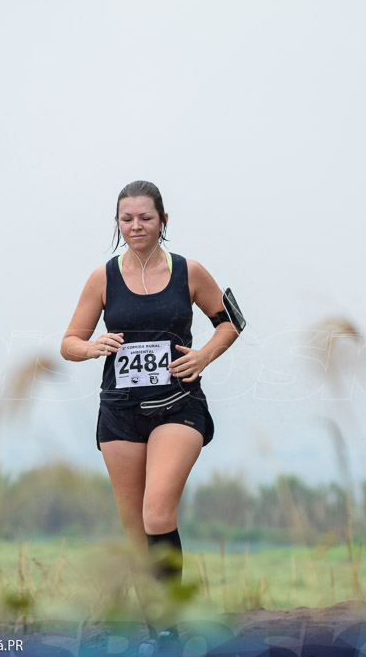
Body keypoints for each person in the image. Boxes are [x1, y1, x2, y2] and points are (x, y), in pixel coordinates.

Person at [61, 180, 240, 588]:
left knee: (157, 514)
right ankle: (156, 624)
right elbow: (68, 343)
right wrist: (91, 347)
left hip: (178, 405)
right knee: (135, 530)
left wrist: (203, 355)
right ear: (117, 223)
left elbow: (230, 323)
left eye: (145, 218)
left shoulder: (189, 271)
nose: (136, 226)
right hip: (120, 413)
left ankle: (171, 620)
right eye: (127, 219)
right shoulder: (102, 278)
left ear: (163, 220)